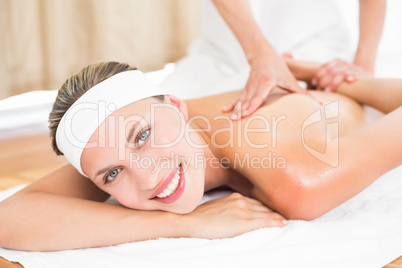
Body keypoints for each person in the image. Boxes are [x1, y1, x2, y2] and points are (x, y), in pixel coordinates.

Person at [0, 60, 400, 252]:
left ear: (177, 107)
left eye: (141, 137)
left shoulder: (296, 180)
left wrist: (361, 86)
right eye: (111, 175)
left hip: (325, 99)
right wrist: (189, 224)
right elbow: (10, 218)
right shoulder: (119, 136)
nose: (146, 177)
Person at [161, 0, 386, 120]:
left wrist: (363, 65)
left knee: (300, 125)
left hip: (311, 44)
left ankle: (298, 70)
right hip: (220, 53)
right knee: (156, 117)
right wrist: (260, 54)